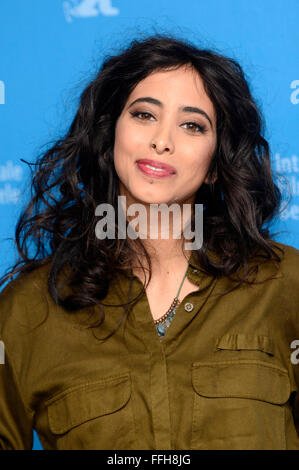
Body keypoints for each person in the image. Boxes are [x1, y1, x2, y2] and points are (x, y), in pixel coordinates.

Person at [0, 34, 299, 451]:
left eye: (192, 125)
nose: (162, 140)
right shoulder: (28, 309)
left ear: (216, 164)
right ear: (108, 139)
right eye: (144, 115)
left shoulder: (285, 283)